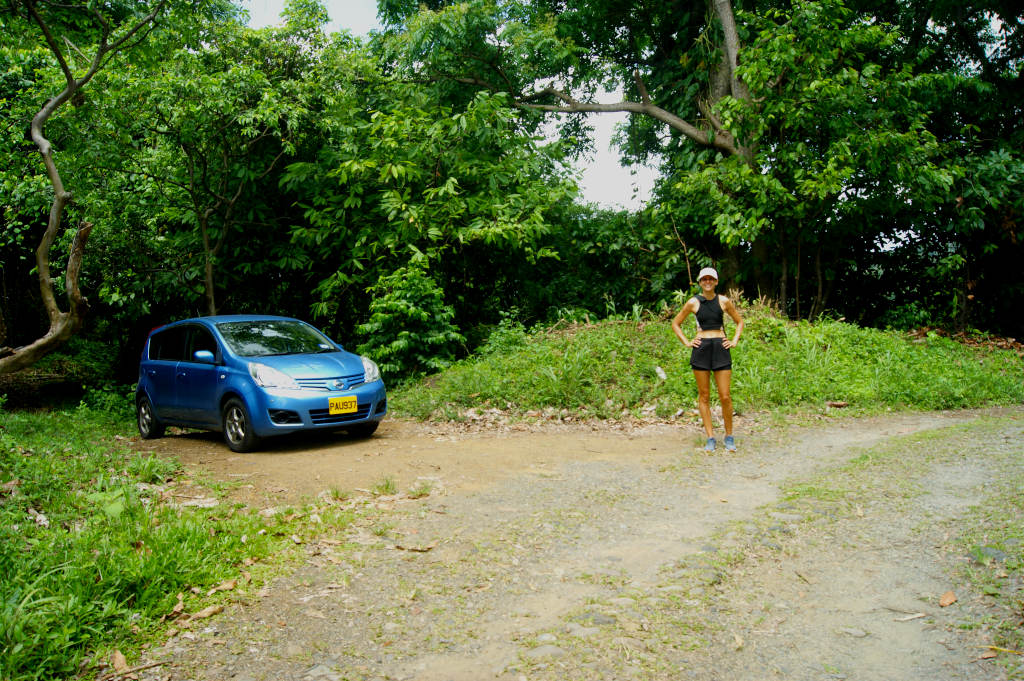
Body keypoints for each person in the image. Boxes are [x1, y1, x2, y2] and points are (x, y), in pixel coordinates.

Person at [671, 267, 744, 452]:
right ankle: (710, 437)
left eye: (711, 279)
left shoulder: (723, 301)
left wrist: (734, 340)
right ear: (700, 282)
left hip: (720, 347)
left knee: (725, 396)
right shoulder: (693, 302)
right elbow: (675, 323)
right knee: (704, 396)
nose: (708, 282)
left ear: (716, 282)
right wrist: (687, 342)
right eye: (704, 279)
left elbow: (739, 321)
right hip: (701, 349)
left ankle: (729, 436)